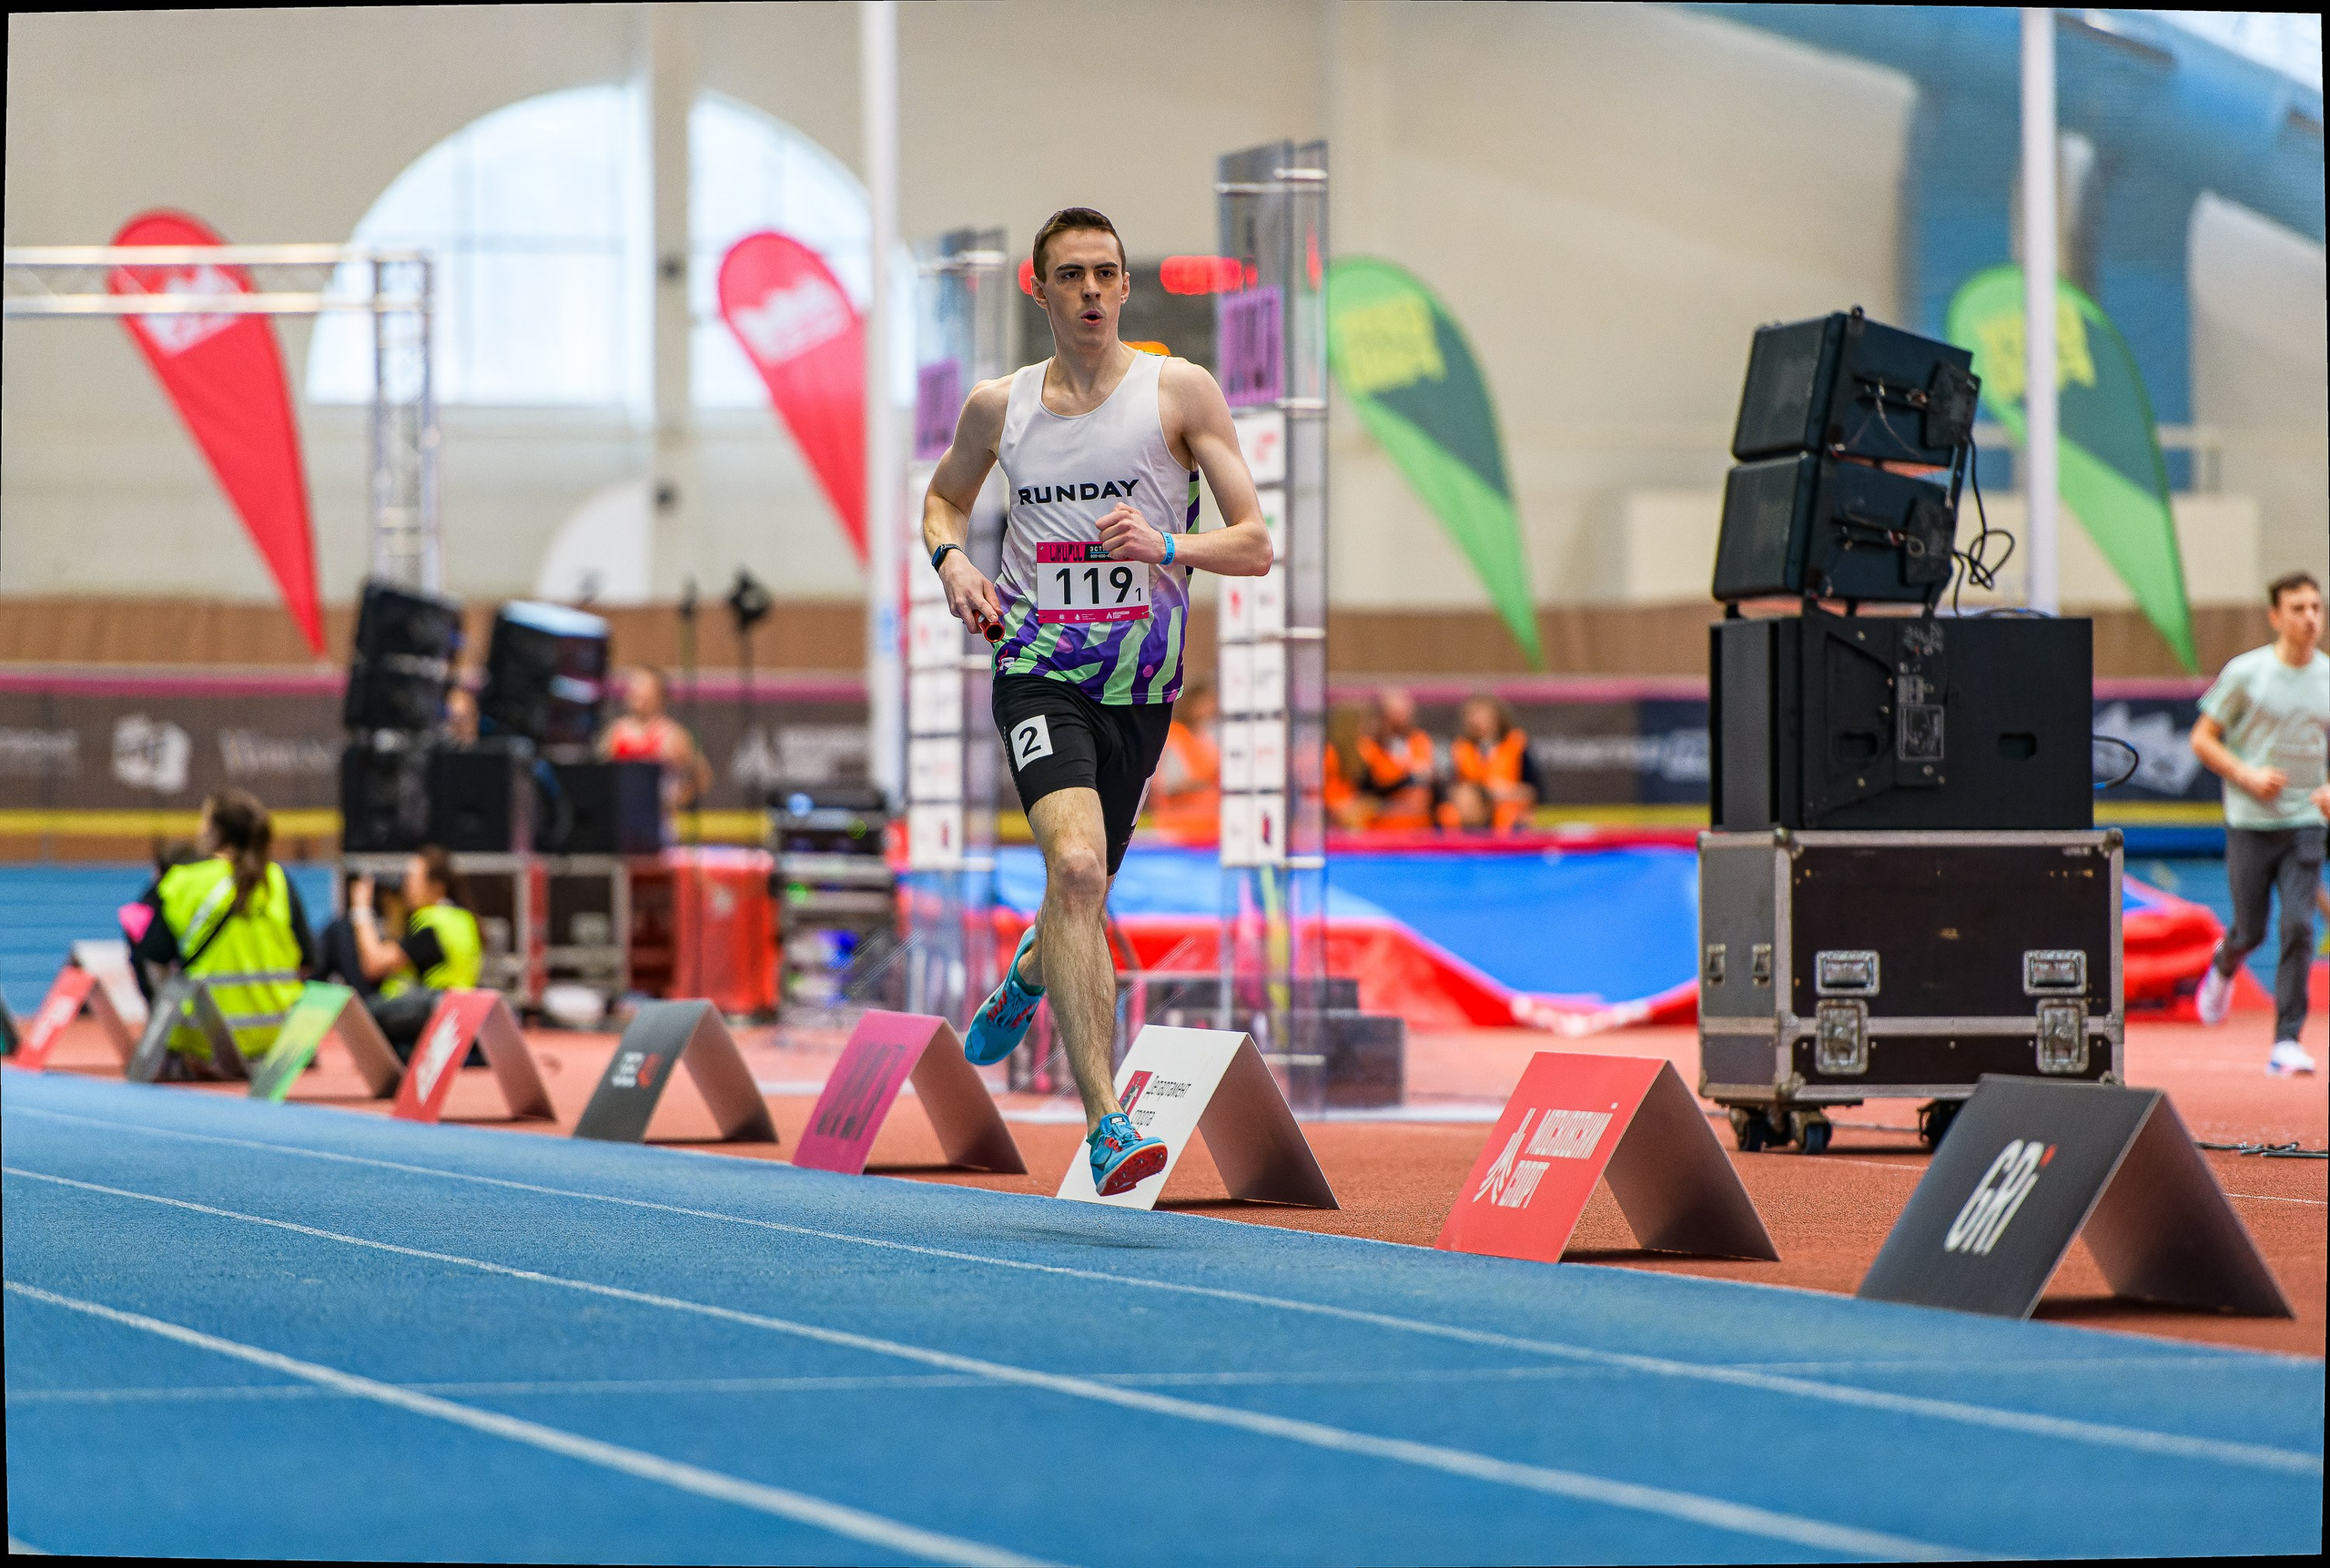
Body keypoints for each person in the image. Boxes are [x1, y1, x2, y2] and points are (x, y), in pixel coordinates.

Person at [920, 206, 1273, 1196]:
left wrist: (1166, 547)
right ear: (1039, 289)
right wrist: (953, 564)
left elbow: (1254, 541)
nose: (1088, 290)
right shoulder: (1000, 407)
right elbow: (941, 500)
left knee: (1086, 888)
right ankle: (1106, 1122)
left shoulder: (1178, 392)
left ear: (1124, 289)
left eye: (1104, 274)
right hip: (1037, 668)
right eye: (1069, 274)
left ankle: (1031, 971)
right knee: (1075, 869)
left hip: (1141, 684)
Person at [2189, 571, 2328, 1075]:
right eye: (2298, 608)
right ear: (2275, 617)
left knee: (2298, 925)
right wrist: (2246, 774)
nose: (2310, 617)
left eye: (2316, 607)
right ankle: (2225, 964)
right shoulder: (2247, 674)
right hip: (2250, 822)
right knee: (2252, 929)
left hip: (2306, 821)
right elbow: (2203, 739)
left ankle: (2286, 1041)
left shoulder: (2328, 678)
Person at [127, 789, 317, 1076]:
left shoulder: (183, 882)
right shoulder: (278, 881)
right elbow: (309, 960)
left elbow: (152, 957)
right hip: (277, 1042)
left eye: (203, 821)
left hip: (203, 1040)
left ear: (215, 832)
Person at [323, 845, 484, 1059]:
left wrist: (361, 910)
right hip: (458, 1009)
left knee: (341, 933)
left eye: (411, 878)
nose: (406, 885)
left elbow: (373, 964)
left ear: (436, 887)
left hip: (434, 1008)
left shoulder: (432, 923)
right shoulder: (460, 919)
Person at [599, 666, 714, 814]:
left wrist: (679, 799)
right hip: (621, 823)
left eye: (641, 685)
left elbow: (702, 775)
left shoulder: (672, 735)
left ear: (657, 695)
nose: (635, 690)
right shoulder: (615, 732)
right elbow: (598, 773)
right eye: (633, 685)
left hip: (657, 825)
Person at [1440, 693, 1542, 834]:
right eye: (1472, 716)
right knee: (1448, 815)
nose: (1477, 721)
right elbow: (1452, 788)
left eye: (1482, 716)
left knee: (1508, 817)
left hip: (1508, 816)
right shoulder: (1461, 748)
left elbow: (1535, 791)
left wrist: (1505, 792)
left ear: (1497, 718)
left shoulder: (1516, 745)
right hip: (1471, 816)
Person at [1148, 675, 1220, 845]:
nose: (1211, 708)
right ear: (1191, 705)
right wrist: (1206, 780)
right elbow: (1169, 785)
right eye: (1205, 703)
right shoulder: (1175, 736)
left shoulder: (1207, 736)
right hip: (1179, 834)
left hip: (1209, 833)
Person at [1355, 686, 1437, 830]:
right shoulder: (1371, 743)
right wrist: (1410, 773)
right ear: (1383, 714)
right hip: (1382, 820)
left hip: (1419, 821)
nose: (1399, 716)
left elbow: (1426, 773)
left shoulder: (1420, 739)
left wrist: (1410, 773)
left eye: (1403, 711)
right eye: (1394, 711)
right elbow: (1382, 779)